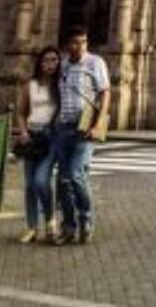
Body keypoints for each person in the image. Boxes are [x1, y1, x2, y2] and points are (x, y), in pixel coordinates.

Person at [55, 25, 111, 244]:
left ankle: (86, 219)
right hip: (63, 126)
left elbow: (105, 92)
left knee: (76, 174)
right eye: (76, 42)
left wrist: (98, 123)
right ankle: (68, 226)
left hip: (85, 127)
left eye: (84, 42)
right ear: (68, 44)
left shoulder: (95, 62)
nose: (80, 46)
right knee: (63, 179)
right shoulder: (63, 64)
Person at [14, 46, 61, 244]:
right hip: (31, 138)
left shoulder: (61, 86)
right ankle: (32, 227)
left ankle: (50, 220)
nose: (50, 64)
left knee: (41, 181)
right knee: (29, 186)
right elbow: (20, 112)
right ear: (40, 63)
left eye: (54, 60)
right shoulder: (30, 85)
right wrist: (23, 131)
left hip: (50, 139)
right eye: (46, 60)